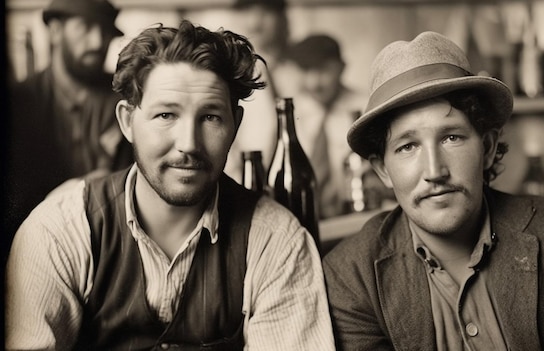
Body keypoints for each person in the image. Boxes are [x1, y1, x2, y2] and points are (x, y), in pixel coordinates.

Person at [5, 20, 335, 350]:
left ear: (235, 125)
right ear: (127, 121)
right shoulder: (60, 231)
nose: (188, 143)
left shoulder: (276, 241)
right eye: (166, 115)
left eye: (210, 117)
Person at [322, 31, 544, 350]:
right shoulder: (350, 278)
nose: (434, 172)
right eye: (408, 146)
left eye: (452, 138)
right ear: (382, 170)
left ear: (487, 148)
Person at [5, 0, 133, 238]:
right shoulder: (18, 104)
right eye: (85, 27)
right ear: (55, 31)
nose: (97, 41)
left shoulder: (127, 99)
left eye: (105, 31)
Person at [286, 34, 367, 218]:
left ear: (342, 67)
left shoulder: (366, 106)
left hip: (357, 215)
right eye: (307, 70)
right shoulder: (293, 113)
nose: (315, 83)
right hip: (307, 217)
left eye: (323, 70)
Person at [224, 0, 299, 183]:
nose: (255, 23)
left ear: (281, 18)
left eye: (265, 13)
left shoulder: (297, 71)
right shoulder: (230, 71)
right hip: (245, 183)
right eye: (248, 12)